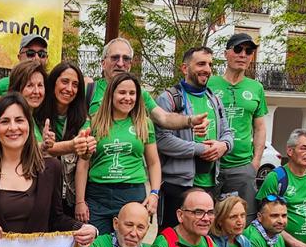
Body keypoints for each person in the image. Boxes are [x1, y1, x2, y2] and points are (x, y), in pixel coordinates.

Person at [0, 94, 96, 244]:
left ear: (29, 125)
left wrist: (84, 228)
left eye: (19, 120)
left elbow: (56, 219)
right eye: (5, 121)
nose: (13, 127)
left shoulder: (51, 168)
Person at [75, 73, 162, 235]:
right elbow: (83, 163)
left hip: (132, 193)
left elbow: (153, 162)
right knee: (96, 245)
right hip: (98, 194)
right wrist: (79, 201)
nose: (127, 98)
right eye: (122, 92)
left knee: (129, 243)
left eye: (132, 93)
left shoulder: (144, 123)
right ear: (111, 94)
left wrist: (154, 193)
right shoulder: (94, 123)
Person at [208, 34, 269, 220]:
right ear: (226, 53)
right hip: (210, 166)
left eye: (248, 51)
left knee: (242, 220)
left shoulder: (256, 88)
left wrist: (255, 162)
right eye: (238, 49)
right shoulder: (209, 84)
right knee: (208, 219)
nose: (243, 55)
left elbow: (260, 127)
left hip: (242, 166)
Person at [90, 38, 209, 134]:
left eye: (126, 59)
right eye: (115, 58)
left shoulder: (139, 92)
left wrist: (190, 120)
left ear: (130, 65)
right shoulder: (90, 91)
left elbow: (164, 117)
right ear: (103, 63)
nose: (120, 63)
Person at [164, 47, 234, 196]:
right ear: (185, 68)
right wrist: (200, 149)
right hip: (179, 186)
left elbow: (227, 132)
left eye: (210, 64)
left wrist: (224, 145)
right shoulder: (168, 98)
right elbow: (162, 140)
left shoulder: (214, 99)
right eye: (201, 64)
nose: (207, 69)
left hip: (211, 185)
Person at [34, 61, 94, 211]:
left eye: (75, 85)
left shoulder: (83, 119)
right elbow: (38, 149)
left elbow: (83, 158)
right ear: (53, 83)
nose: (69, 89)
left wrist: (86, 148)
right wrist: (73, 145)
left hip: (69, 195)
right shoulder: (36, 113)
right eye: (65, 82)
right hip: (38, 193)